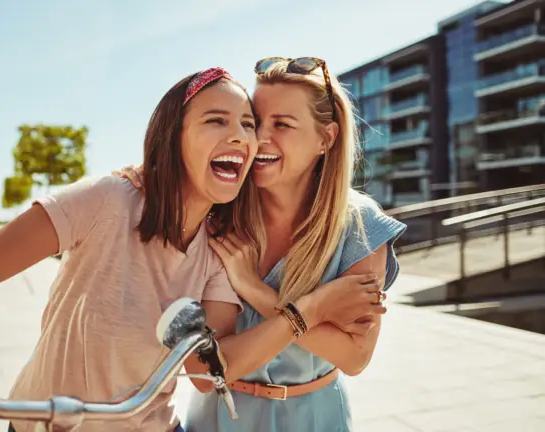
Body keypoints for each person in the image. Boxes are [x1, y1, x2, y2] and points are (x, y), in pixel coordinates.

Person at [0, 67, 386, 432]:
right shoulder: (106, 201)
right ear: (170, 139)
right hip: (42, 422)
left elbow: (211, 365)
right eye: (215, 121)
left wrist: (303, 304)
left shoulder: (224, 248)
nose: (241, 135)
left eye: (247, 125)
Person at [114, 57, 407, 431]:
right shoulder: (219, 215)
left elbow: (354, 357)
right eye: (255, 121)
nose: (258, 139)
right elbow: (208, 365)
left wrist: (255, 290)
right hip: (218, 417)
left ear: (326, 138)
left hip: (316, 419)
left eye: (282, 124)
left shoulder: (362, 226)